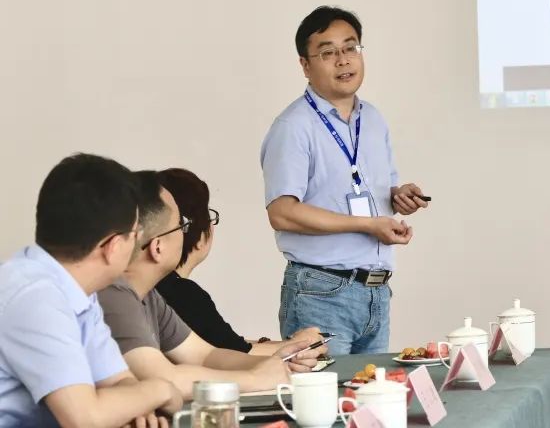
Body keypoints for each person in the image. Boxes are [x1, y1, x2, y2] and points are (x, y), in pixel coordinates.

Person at [262, 6, 429, 355]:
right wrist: (367, 224)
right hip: (321, 292)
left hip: (376, 292)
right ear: (305, 65)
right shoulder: (293, 127)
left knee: (370, 390)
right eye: (327, 53)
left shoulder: (373, 119)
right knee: (325, 391)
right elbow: (282, 212)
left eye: (350, 47)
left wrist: (399, 196)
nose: (343, 60)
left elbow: (376, 191)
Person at [98, 172, 324, 398]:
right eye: (181, 225)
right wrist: (255, 378)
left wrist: (276, 361)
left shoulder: (149, 296)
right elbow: (165, 378)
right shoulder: (114, 294)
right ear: (157, 247)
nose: (187, 232)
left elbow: (206, 355)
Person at [0, 154, 182, 427]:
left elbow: (119, 381)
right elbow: (85, 418)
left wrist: (136, 407)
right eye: (135, 234)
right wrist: (160, 389)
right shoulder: (35, 297)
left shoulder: (81, 293)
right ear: (113, 246)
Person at [154, 167, 322, 354]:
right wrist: (303, 343)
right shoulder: (183, 295)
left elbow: (222, 343)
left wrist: (280, 344)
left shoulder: (157, 290)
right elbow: (234, 353)